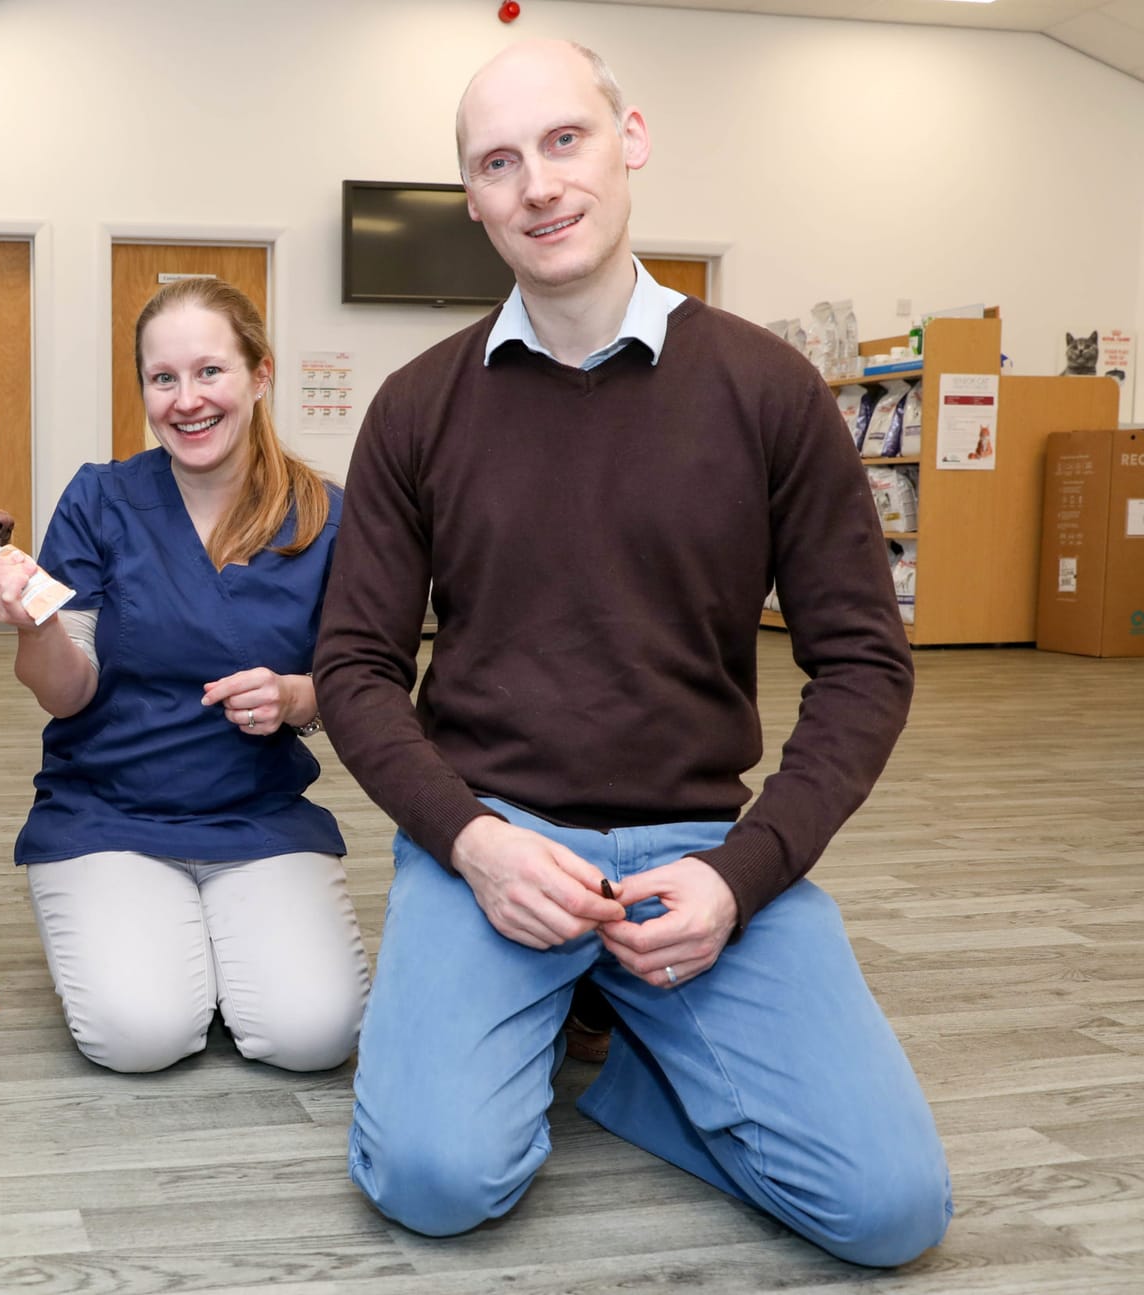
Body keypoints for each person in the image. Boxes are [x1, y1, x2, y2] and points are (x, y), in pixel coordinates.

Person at [313, 40, 952, 1266]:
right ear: (471, 201)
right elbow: (351, 668)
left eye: (564, 141)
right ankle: (593, 1008)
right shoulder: (415, 406)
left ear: (630, 140)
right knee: (437, 1181)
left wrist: (743, 873)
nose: (538, 186)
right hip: (493, 840)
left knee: (889, 1214)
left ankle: (615, 1049)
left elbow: (864, 665)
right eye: (497, 164)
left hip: (699, 855)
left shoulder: (767, 391)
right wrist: (472, 842)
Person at [0, 278, 369, 1074]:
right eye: (163, 378)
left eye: (210, 371)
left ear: (260, 373)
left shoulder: (325, 514)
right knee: (141, 1036)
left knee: (316, 1035)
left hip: (254, 815)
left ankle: (219, 940)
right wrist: (36, 622)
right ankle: (151, 935)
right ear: (145, 389)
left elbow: (359, 678)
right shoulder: (100, 500)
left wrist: (295, 696)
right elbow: (66, 689)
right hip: (108, 812)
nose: (187, 400)